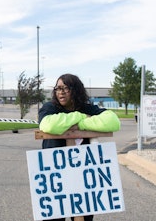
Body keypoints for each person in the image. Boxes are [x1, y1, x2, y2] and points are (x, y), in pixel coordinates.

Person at [38, 73, 121, 221]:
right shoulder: (50, 107)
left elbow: (113, 121)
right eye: (57, 88)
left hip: (83, 174)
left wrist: (81, 125)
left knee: (84, 218)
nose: (61, 92)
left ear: (75, 90)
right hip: (56, 174)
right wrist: (81, 117)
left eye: (65, 88)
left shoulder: (87, 108)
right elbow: (48, 124)